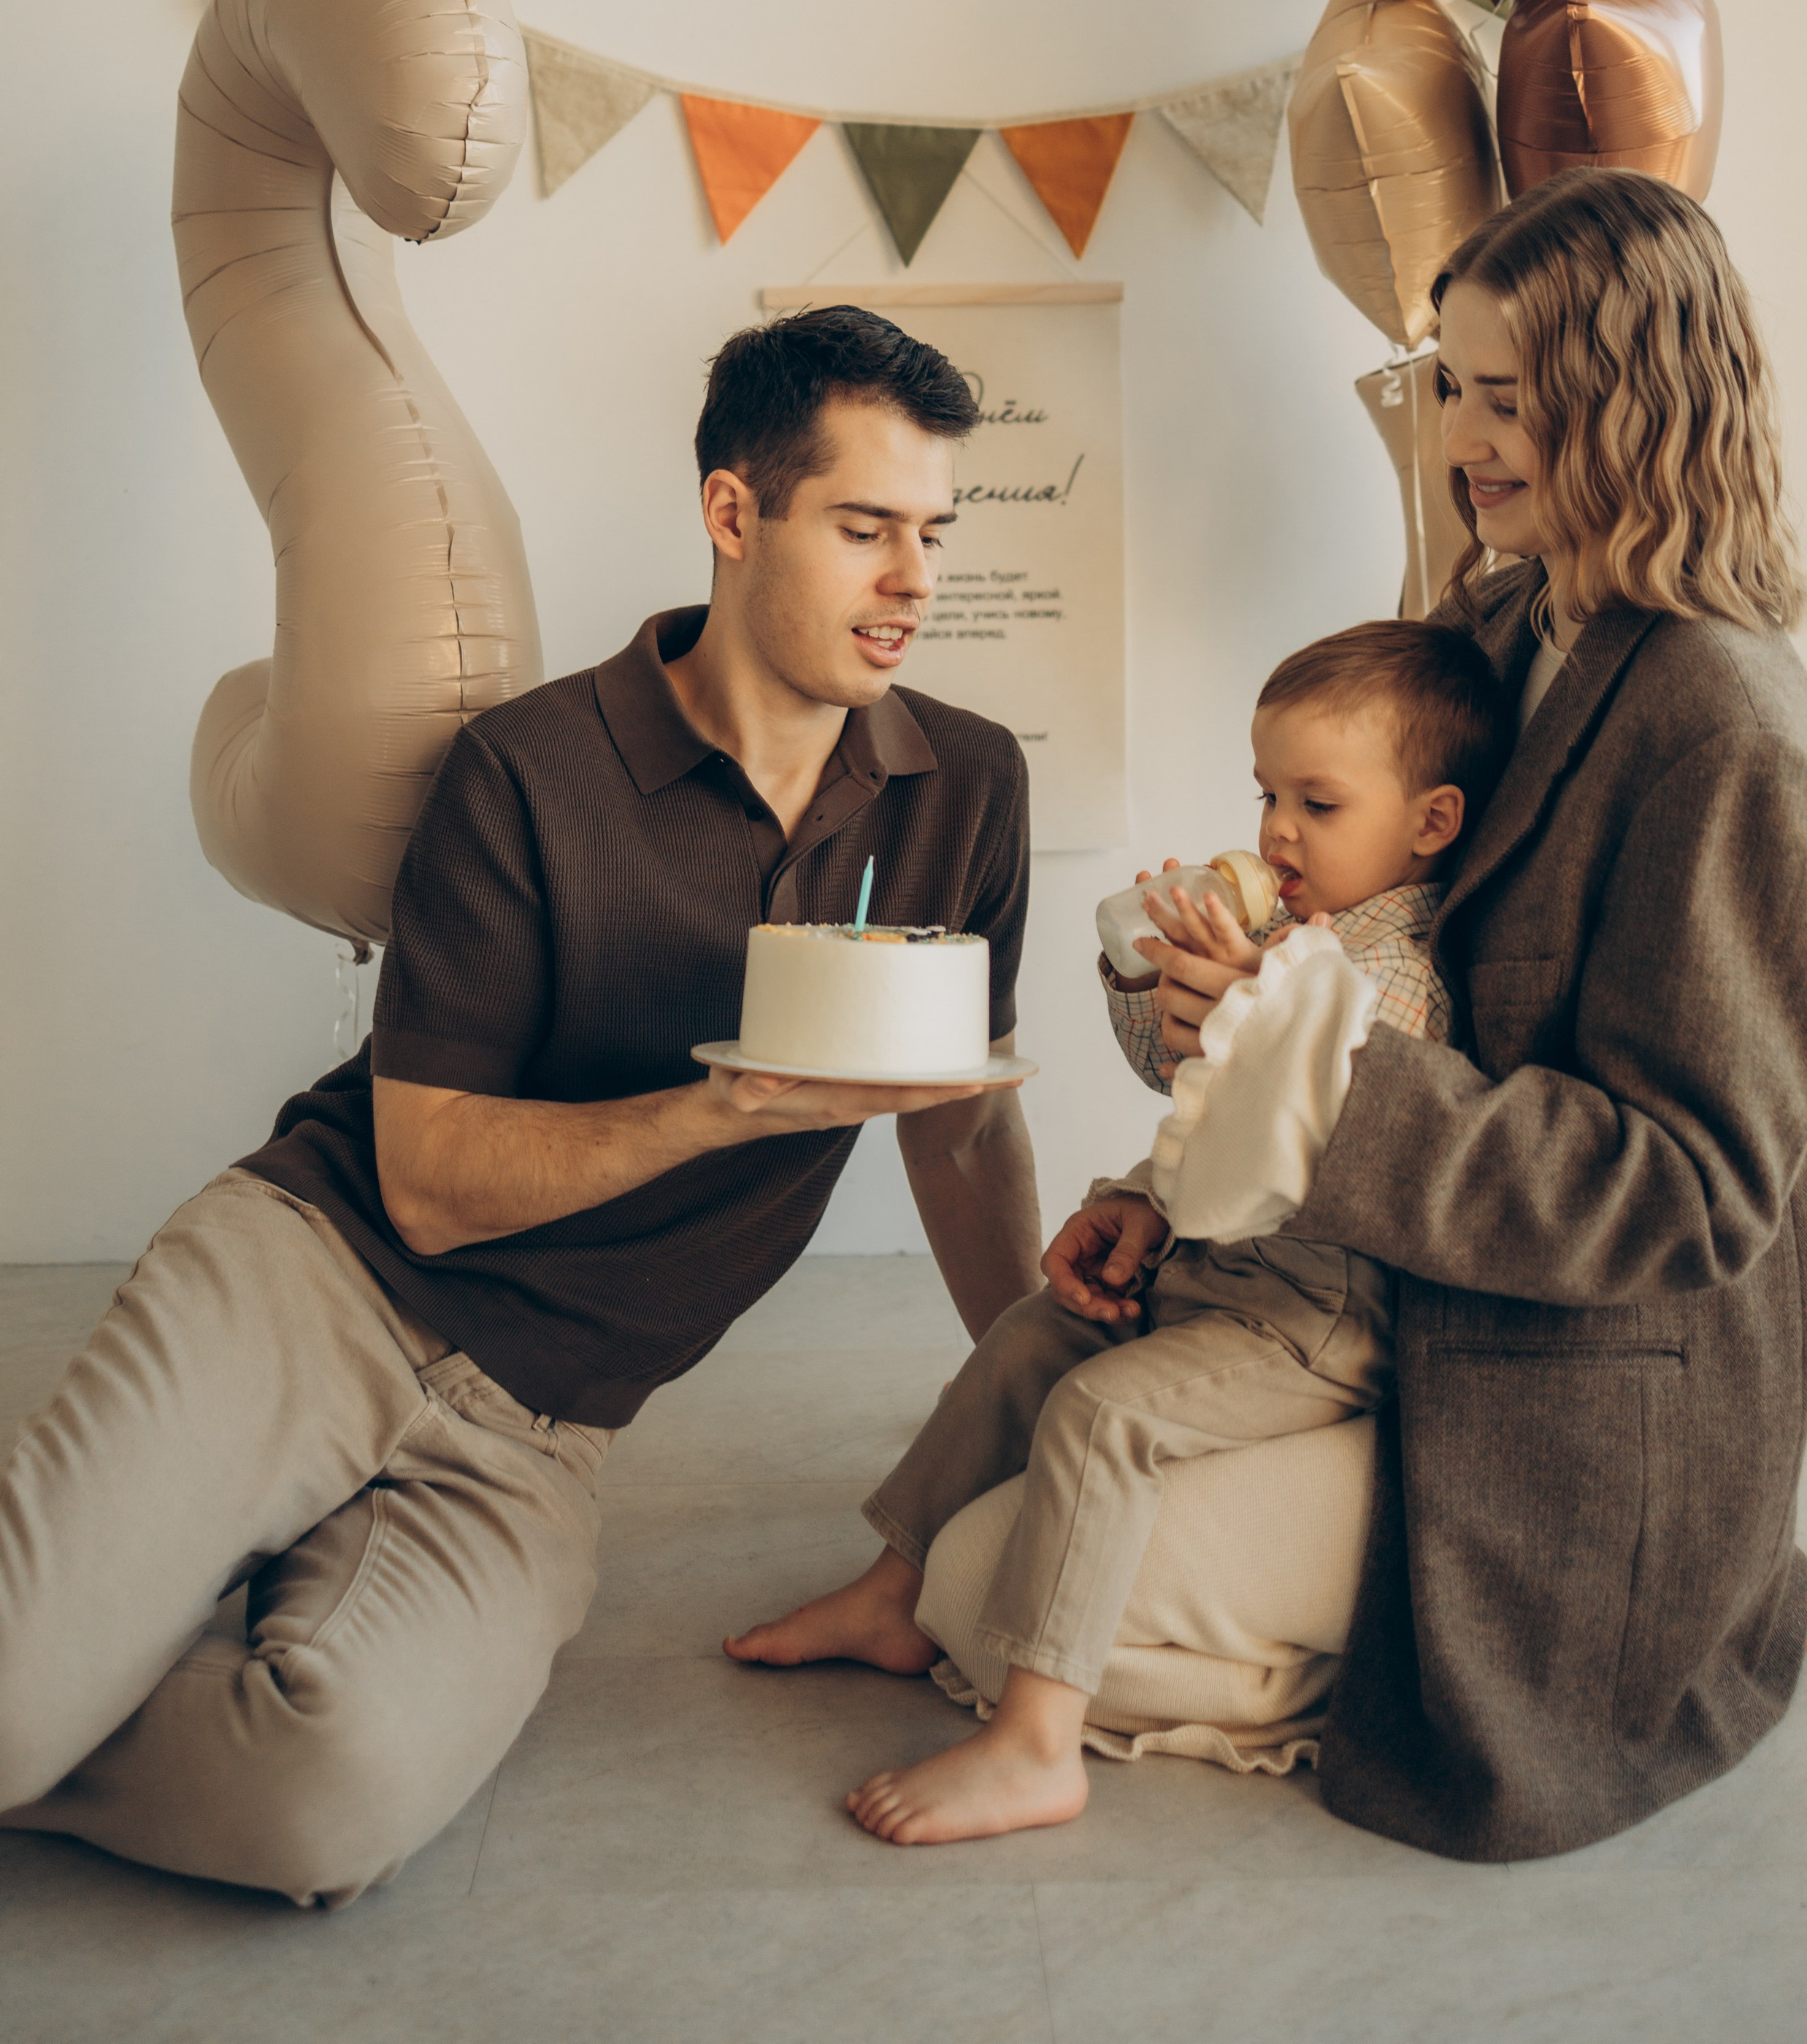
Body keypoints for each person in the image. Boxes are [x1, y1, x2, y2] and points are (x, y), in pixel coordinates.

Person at [0, 305, 1038, 1907]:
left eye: (930, 534)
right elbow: (421, 1186)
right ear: (731, 515)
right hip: (316, 1283)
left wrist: (1018, 1382)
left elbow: (955, 1116)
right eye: (863, 529)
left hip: (543, 1424)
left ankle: (105, 1637)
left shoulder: (964, 788)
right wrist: (725, 1109)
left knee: (318, 1810)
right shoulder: (527, 770)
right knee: (12, 1692)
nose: (913, 581)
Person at [1112, 169, 1807, 1861]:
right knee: (1016, 1481)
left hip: (1560, 1386)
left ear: (1637, 401)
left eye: (1508, 396)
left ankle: (1706, 1603)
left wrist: (1308, 1079)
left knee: (996, 1584)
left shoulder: (1723, 730)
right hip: (1390, 1298)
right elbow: (1362, 955)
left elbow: (1682, 1189)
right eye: (1446, 381)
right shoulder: (1502, 623)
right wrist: (1178, 1082)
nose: (1461, 434)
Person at [729, 621, 1513, 1844]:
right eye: (1267, 795)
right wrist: (1156, 982)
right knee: (1027, 1343)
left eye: (1318, 802)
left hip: (1318, 1317)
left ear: (1432, 823)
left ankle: (1038, 1740)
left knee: (1107, 1415)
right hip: (1224, 1270)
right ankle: (894, 1591)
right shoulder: (1297, 947)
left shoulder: (1393, 971)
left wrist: (1249, 996)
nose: (1277, 832)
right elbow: (1182, 1086)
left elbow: (1298, 1133)